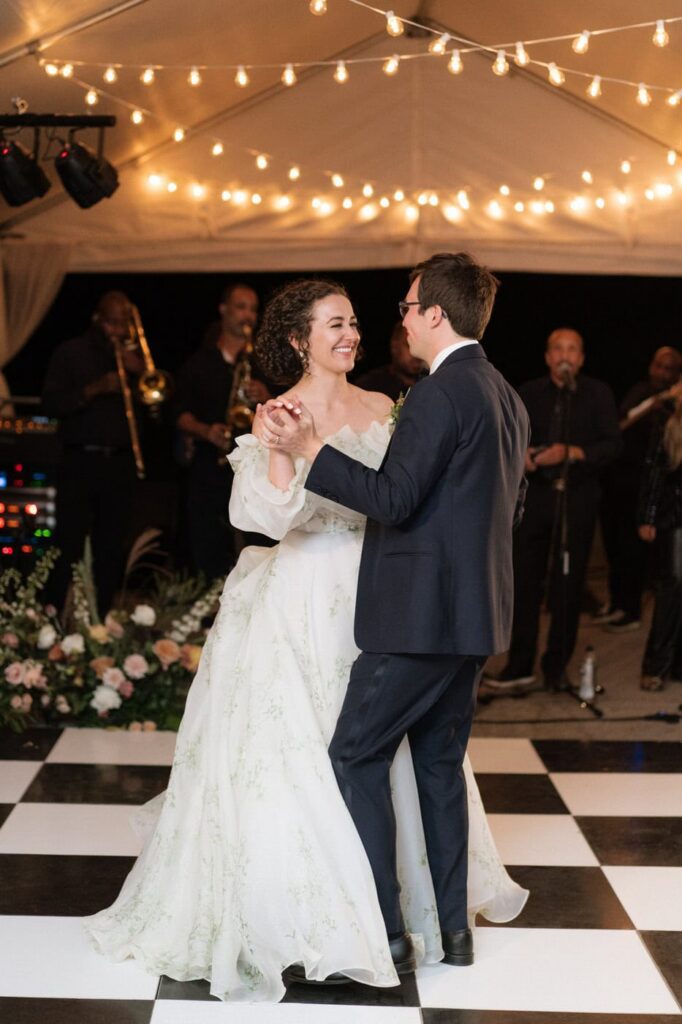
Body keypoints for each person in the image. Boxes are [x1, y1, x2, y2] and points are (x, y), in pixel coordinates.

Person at [84, 276, 528, 1002]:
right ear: (298, 341)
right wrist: (285, 449)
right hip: (303, 596)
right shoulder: (279, 411)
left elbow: (406, 494)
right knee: (304, 755)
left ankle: (408, 917)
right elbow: (266, 516)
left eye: (354, 322)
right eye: (334, 326)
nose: (352, 335)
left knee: (390, 757)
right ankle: (317, 918)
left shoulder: (389, 404)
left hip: (389, 589)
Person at [259, 254, 530, 974]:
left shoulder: (441, 393)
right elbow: (509, 509)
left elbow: (393, 499)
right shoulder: (504, 393)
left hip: (415, 621)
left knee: (355, 754)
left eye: (409, 307)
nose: (400, 319)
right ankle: (456, 935)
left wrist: (312, 448)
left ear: (436, 315)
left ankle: (386, 932)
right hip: (474, 620)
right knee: (438, 767)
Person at [483, 327, 621, 693]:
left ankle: (557, 666)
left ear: (581, 358)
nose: (564, 355)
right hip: (534, 498)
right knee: (524, 583)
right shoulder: (528, 393)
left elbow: (612, 445)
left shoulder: (597, 393)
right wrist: (523, 457)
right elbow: (506, 437)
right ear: (547, 357)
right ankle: (520, 665)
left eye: (572, 349)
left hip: (576, 499)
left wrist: (572, 452)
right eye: (557, 349)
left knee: (568, 584)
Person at [42, 291, 144, 616]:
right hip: (79, 461)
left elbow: (155, 411)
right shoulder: (71, 352)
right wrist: (95, 388)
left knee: (111, 547)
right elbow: (52, 403)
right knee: (67, 543)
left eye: (123, 324)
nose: (117, 330)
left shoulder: (133, 360)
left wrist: (140, 375)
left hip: (119, 463)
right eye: (113, 322)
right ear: (98, 318)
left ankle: (102, 619)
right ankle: (51, 614)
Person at [174, 282, 272, 579]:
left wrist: (265, 395)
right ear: (223, 310)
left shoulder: (262, 363)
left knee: (259, 549)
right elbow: (178, 414)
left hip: (256, 470)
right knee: (208, 546)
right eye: (241, 307)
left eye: (253, 309)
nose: (248, 315)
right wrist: (206, 431)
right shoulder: (199, 363)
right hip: (211, 467)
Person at [597, 346, 682, 633]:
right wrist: (655, 402)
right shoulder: (643, 392)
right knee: (616, 544)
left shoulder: (677, 403)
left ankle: (632, 609)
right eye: (660, 366)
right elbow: (620, 424)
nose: (664, 373)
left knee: (639, 552)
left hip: (653, 488)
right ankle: (618, 602)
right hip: (621, 478)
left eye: (671, 369)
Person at [637, 392, 682, 690]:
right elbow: (653, 471)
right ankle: (656, 665)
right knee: (672, 587)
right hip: (676, 519)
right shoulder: (670, 424)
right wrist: (647, 515)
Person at [355, 320, 425, 401]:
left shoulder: (433, 383)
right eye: (409, 345)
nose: (415, 353)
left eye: (421, 346)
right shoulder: (369, 387)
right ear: (395, 346)